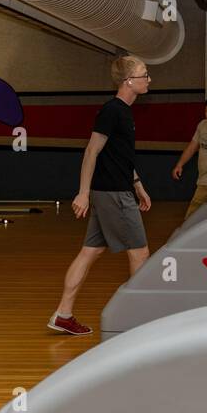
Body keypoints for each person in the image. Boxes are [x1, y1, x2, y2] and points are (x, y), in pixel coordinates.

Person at [48, 55, 153, 336]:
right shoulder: (112, 111)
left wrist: (138, 184)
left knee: (90, 251)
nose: (149, 79)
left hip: (115, 190)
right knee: (140, 253)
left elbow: (118, 157)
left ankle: (63, 314)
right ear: (129, 80)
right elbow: (92, 151)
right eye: (144, 74)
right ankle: (137, 321)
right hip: (113, 195)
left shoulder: (125, 112)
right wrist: (82, 194)